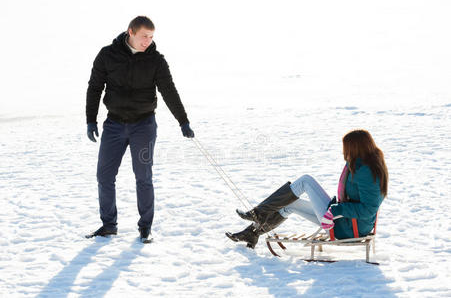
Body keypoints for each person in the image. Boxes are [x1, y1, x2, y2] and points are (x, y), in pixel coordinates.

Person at [85, 16, 194, 243]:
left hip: (143, 125)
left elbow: (169, 91)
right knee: (104, 176)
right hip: (114, 125)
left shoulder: (156, 61)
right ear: (131, 32)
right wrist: (90, 120)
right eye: (144, 36)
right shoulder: (107, 55)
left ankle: (145, 227)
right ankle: (109, 225)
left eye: (151, 37)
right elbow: (94, 87)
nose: (148, 41)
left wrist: (183, 121)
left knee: (143, 177)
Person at [226, 129, 388, 248]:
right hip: (343, 219)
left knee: (305, 181)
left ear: (355, 148)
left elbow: (368, 209)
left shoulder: (366, 171)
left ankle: (258, 213)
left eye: (346, 147)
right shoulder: (361, 164)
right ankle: (252, 233)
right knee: (289, 204)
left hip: (347, 228)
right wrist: (336, 209)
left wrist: (336, 210)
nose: (343, 151)